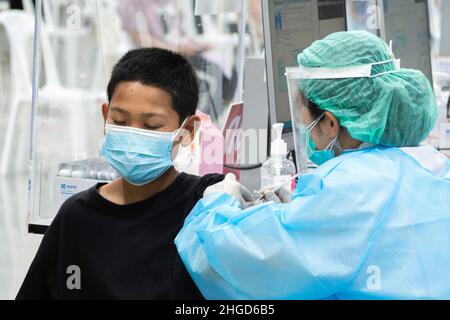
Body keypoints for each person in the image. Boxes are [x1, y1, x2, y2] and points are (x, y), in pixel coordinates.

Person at [175, 31, 450, 299]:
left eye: (306, 120)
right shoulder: (432, 165)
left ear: (330, 122)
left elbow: (239, 261)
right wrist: (304, 213)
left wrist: (216, 206)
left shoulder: (348, 187)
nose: (305, 129)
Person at [16, 48, 224, 299]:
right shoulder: (77, 217)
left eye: (151, 125)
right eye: (120, 121)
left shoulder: (201, 206)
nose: (133, 135)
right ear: (106, 117)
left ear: (188, 129)